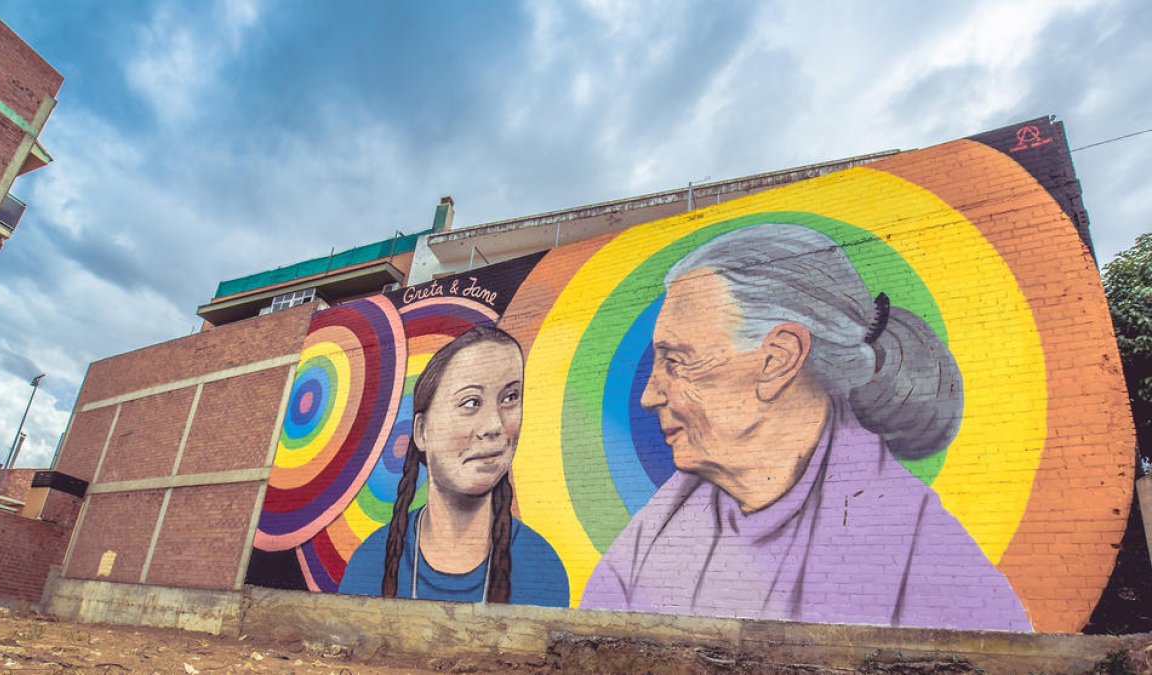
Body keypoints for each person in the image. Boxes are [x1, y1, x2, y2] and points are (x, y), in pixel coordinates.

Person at [580, 224, 1031, 631]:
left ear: (778, 359)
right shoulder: (657, 530)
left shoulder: (933, 566)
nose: (649, 395)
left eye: (676, 362)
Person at [339, 326, 569, 606]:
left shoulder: (541, 566)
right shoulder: (370, 562)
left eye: (510, 398)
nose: (495, 426)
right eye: (471, 402)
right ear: (422, 431)